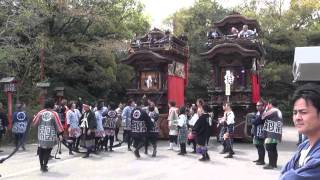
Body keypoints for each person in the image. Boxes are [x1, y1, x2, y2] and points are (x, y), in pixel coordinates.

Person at [280, 83, 320, 179]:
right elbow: (284, 172)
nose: (297, 117)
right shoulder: (304, 145)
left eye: (303, 112)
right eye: (295, 113)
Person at [32, 98, 64, 172]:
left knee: (41, 150)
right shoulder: (54, 113)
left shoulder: (40, 113)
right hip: (50, 135)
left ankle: (41, 165)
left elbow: (34, 123)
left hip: (41, 134)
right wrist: (60, 134)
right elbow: (58, 125)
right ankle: (45, 165)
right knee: (48, 150)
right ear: (52, 105)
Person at [262, 99, 283, 169]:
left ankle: (271, 164)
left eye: (268, 104)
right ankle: (274, 164)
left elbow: (263, 116)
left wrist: (266, 109)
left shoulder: (273, 110)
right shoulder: (278, 111)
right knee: (273, 148)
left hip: (272, 132)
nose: (267, 105)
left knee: (269, 147)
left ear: (270, 104)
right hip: (276, 132)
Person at [251, 100, 266, 165]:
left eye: (259, 105)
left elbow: (255, 121)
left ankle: (262, 161)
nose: (257, 107)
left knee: (260, 146)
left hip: (261, 132)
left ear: (263, 106)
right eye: (257, 105)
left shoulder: (263, 113)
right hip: (256, 131)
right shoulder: (258, 113)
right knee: (257, 145)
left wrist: (253, 120)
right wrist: (254, 120)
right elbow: (253, 120)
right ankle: (259, 158)